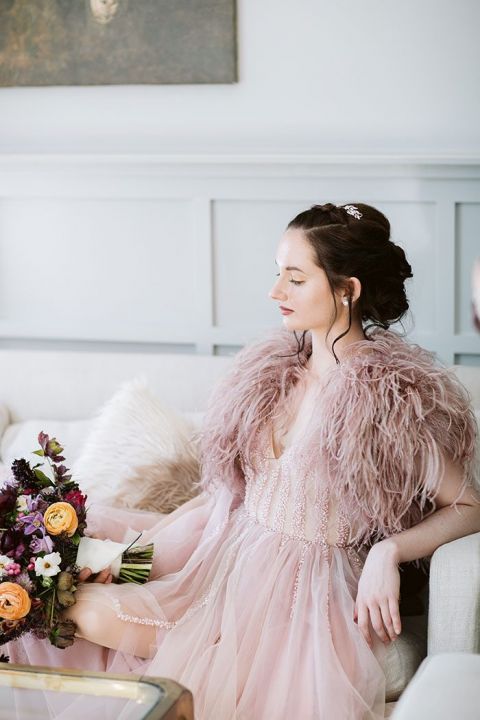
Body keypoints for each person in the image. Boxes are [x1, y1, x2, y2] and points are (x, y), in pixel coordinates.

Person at [6, 202, 480, 720]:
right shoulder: (274, 374)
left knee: (78, 610)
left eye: (295, 279)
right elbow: (228, 499)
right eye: (277, 273)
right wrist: (135, 554)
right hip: (215, 546)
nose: (275, 292)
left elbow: (468, 505)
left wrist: (388, 552)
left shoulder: (390, 400)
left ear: (348, 289)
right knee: (46, 573)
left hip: (292, 593)